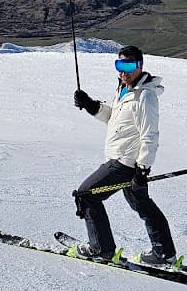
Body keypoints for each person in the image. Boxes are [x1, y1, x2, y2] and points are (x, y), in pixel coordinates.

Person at [70, 45, 177, 265]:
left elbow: (150, 135)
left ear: (139, 66)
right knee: (142, 204)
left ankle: (101, 247)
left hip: (124, 163)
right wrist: (91, 105)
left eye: (128, 65)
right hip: (128, 162)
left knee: (86, 194)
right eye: (119, 65)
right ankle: (164, 254)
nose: (123, 71)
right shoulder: (125, 89)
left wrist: (142, 169)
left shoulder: (144, 96)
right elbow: (115, 119)